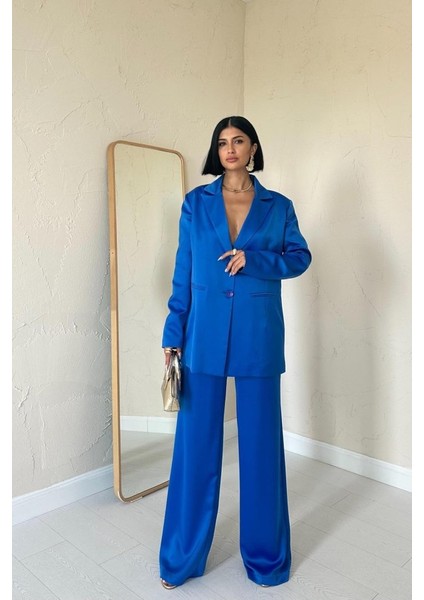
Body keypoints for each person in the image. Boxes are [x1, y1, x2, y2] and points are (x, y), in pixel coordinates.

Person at [159, 116, 311, 590]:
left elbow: (299, 257)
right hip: (202, 335)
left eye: (238, 141)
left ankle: (266, 560)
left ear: (252, 148)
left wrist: (255, 260)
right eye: (222, 142)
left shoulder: (278, 206)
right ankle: (181, 558)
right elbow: (183, 272)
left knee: (261, 449)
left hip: (258, 337)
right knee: (195, 449)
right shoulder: (195, 203)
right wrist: (173, 331)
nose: (229, 149)